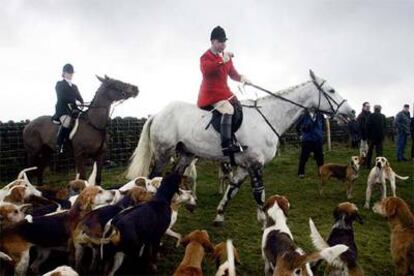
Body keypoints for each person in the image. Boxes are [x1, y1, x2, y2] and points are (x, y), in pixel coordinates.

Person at [197, 26, 250, 156]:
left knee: (237, 106)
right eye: (220, 41)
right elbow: (207, 71)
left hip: (223, 92)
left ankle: (234, 138)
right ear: (213, 42)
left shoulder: (226, 57)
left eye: (224, 41)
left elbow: (233, 74)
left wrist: (242, 78)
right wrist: (222, 60)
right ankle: (226, 146)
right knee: (228, 109)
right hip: (210, 95)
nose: (223, 44)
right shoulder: (205, 57)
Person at [53, 63, 84, 153]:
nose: (70, 74)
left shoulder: (74, 86)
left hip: (74, 110)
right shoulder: (59, 84)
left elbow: (79, 97)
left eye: (71, 73)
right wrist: (74, 101)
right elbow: (62, 97)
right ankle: (60, 144)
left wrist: (81, 102)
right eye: (68, 73)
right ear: (64, 73)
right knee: (66, 123)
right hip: (63, 109)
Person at [296, 110, 325, 178]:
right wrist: (300, 135)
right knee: (303, 157)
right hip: (307, 140)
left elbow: (323, 126)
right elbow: (297, 127)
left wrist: (320, 134)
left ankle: (321, 172)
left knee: (320, 158)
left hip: (318, 140)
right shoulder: (303, 116)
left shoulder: (320, 115)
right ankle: (301, 173)